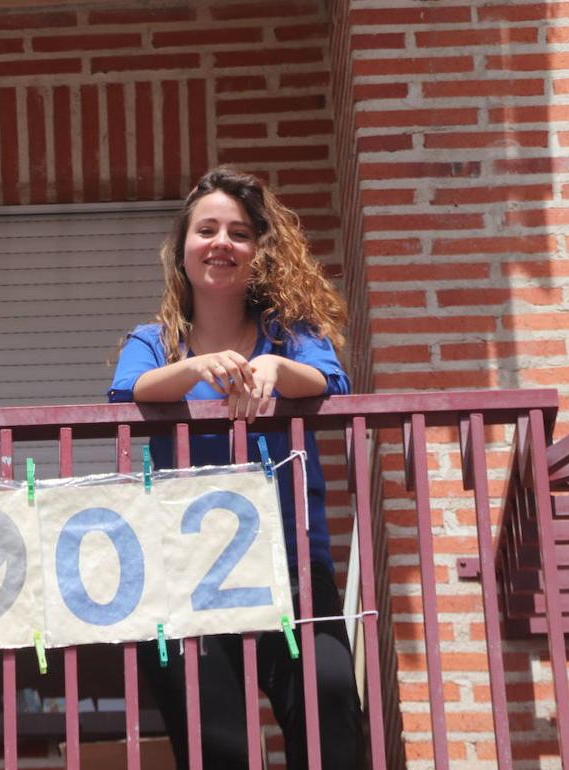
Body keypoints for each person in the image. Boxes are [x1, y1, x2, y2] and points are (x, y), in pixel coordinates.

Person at [107, 168, 361, 770]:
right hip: (183, 571)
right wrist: (198, 369)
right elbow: (128, 392)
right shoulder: (155, 340)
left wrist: (274, 370)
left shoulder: (287, 336)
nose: (222, 242)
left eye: (239, 232)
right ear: (182, 248)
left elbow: (333, 382)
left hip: (291, 561)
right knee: (215, 742)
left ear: (258, 253)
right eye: (207, 229)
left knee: (329, 698)